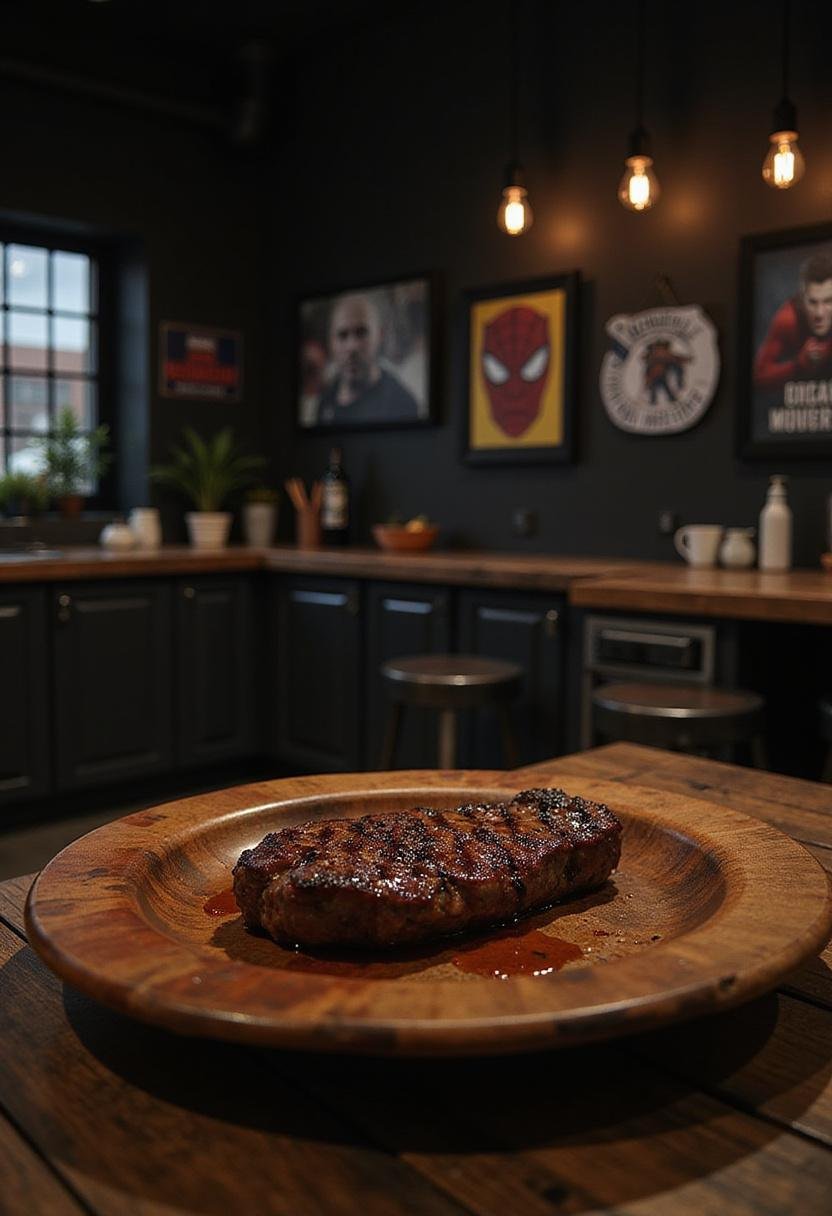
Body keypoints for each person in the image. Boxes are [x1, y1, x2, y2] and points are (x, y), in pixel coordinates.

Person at [314, 293, 420, 425]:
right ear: (331, 341)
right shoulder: (325, 401)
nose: (352, 346)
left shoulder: (401, 403)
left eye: (361, 333)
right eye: (342, 335)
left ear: (380, 335)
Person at [754, 251, 832, 390]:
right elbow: (759, 377)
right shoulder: (788, 319)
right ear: (802, 299)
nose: (819, 313)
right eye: (812, 302)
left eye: (828, 301)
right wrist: (799, 365)